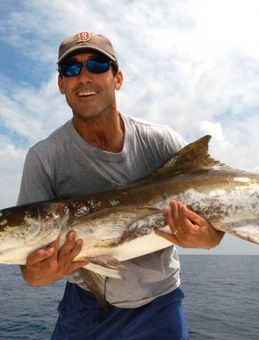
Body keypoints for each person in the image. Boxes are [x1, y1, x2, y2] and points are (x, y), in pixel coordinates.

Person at [19, 32, 224, 339]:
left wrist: (204, 237)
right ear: (61, 84)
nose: (84, 77)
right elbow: (31, 273)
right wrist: (42, 272)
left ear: (118, 78)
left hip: (159, 305)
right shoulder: (43, 157)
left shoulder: (161, 141)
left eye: (98, 65)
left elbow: (215, 230)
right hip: (84, 308)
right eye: (71, 70)